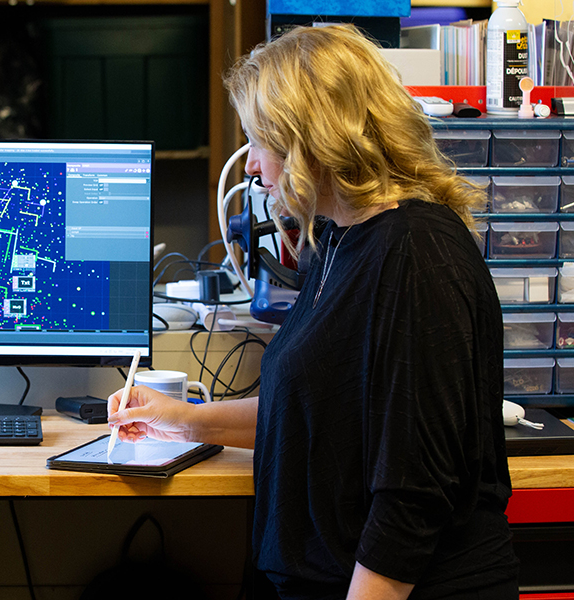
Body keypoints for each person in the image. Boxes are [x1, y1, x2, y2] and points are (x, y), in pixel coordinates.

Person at [108, 25, 520, 600]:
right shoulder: (342, 241)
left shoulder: (413, 254)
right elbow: (317, 413)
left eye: (258, 141)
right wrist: (181, 419)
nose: (250, 165)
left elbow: (413, 496)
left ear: (311, 140)